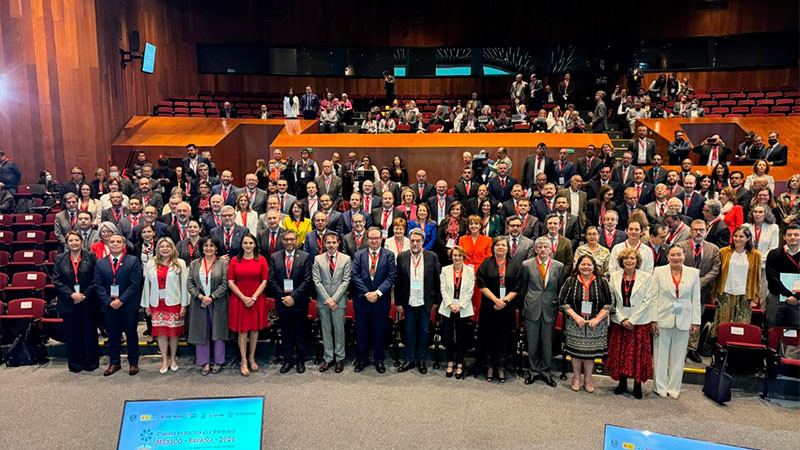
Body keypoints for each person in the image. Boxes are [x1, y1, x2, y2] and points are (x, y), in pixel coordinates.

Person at [650, 246, 701, 398]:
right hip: (662, 317)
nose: (676, 258)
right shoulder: (659, 271)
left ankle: (674, 387)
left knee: (678, 356)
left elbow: (696, 299)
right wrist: (653, 319)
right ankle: (659, 386)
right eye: (673, 255)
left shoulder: (693, 273)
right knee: (660, 354)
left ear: (684, 256)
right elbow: (654, 297)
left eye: (679, 254)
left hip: (684, 318)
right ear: (668, 256)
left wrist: (695, 321)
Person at [560, 254, 612, 392]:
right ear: (578, 266)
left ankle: (588, 379)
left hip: (595, 325)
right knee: (576, 353)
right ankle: (576, 377)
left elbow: (609, 303)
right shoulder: (571, 281)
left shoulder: (602, 281)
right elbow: (563, 302)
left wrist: (597, 318)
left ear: (594, 267)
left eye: (589, 264)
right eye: (583, 264)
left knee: (590, 353)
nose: (586, 267)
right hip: (575, 323)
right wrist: (576, 317)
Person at [608, 247, 654, 399]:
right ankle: (621, 383)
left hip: (639, 322)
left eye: (632, 258)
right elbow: (612, 299)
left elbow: (647, 300)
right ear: (621, 261)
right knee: (620, 353)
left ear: (637, 261)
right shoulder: (614, 276)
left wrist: (632, 320)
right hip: (619, 321)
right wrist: (622, 319)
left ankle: (637, 385)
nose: (629, 261)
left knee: (637, 355)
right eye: (626, 258)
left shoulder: (646, 277)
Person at [94, 233, 143, 376]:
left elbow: (135, 284)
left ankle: (133, 362)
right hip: (109, 306)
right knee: (113, 335)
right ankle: (114, 362)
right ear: (108, 244)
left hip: (128, 305)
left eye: (118, 242)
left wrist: (121, 300)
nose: (115, 244)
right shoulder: (100, 262)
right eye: (112, 242)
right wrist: (109, 301)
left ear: (123, 245)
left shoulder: (133, 261)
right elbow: (98, 285)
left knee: (131, 334)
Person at [519, 237, 564, 387]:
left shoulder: (558, 266)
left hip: (550, 308)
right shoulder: (526, 265)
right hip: (532, 307)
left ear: (550, 249)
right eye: (540, 247)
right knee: (532, 343)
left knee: (547, 344)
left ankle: (546, 372)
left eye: (546, 246)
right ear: (536, 249)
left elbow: (559, 288)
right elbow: (523, 288)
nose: (543, 249)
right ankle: (533, 372)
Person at [395, 228, 442, 374]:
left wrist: (436, 301)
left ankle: (421, 360)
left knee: (424, 331)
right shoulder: (402, 256)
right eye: (413, 241)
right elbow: (398, 281)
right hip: (408, 301)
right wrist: (398, 302)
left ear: (422, 242)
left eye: (418, 241)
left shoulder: (431, 256)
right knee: (409, 331)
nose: (415, 243)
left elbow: (436, 280)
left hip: (425, 301)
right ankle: (409, 359)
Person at [351, 227, 397, 373]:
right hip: (362, 301)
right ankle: (362, 360)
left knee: (379, 333)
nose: (374, 240)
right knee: (361, 333)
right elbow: (354, 276)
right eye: (371, 238)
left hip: (380, 301)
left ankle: (379, 360)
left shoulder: (388, 255)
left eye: (377, 238)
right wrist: (367, 293)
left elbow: (391, 277)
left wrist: (377, 293)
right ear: (367, 239)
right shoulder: (359, 255)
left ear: (381, 239)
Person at [268, 230, 313, 374]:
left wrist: (293, 296)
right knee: (286, 331)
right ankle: (287, 360)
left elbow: (307, 279)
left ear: (297, 240)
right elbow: (272, 279)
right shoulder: (275, 257)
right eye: (286, 239)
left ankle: (300, 360)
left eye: (292, 239)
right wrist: (284, 297)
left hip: (299, 301)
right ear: (282, 241)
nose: (289, 242)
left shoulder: (305, 257)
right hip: (282, 301)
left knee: (300, 331)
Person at [477, 236, 521, 383]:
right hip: (489, 306)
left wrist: (504, 300)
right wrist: (495, 300)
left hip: (507, 307)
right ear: (493, 247)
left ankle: (501, 367)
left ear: (508, 248)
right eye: (498, 245)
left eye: (503, 245)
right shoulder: (486, 263)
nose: (500, 247)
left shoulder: (514, 264)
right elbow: (481, 283)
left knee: (504, 337)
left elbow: (517, 286)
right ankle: (489, 366)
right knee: (489, 336)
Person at [141, 237, 189, 374]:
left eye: (168, 246)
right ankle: (164, 359)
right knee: (161, 334)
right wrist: (146, 305)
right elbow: (147, 285)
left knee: (173, 334)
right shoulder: (151, 263)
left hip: (174, 303)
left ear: (172, 248)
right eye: (162, 246)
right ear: (158, 249)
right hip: (156, 303)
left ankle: (173, 358)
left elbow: (184, 285)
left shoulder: (179, 263)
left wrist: (184, 305)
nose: (165, 249)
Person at [53, 231, 99, 372]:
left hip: (87, 301)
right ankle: (75, 364)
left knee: (89, 333)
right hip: (69, 303)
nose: (74, 243)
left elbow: (95, 278)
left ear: (82, 242)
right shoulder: (60, 258)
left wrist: (84, 294)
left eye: (76, 240)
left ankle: (91, 363)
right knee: (72, 334)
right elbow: (56, 280)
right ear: (67, 243)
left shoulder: (90, 256)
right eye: (71, 240)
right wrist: (72, 294)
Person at [185, 236, 230, 375]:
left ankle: (218, 361)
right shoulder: (195, 264)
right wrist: (200, 297)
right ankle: (204, 362)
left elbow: (225, 283)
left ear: (216, 248)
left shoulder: (223, 264)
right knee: (201, 332)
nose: (208, 248)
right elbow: (190, 282)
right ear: (202, 248)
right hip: (200, 303)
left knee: (218, 331)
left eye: (212, 245)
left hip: (218, 302)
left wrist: (211, 297)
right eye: (206, 246)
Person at [227, 233, 270, 376]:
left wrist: (253, 297)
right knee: (242, 331)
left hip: (256, 298)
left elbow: (264, 280)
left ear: (255, 244)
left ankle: (252, 357)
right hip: (239, 298)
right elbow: (230, 281)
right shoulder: (234, 260)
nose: (248, 246)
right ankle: (243, 360)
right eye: (245, 243)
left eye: (251, 243)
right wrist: (243, 297)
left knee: (254, 330)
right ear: (241, 245)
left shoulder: (262, 260)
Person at [312, 232, 352, 373]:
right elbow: (316, 281)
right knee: (326, 331)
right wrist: (327, 299)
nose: (331, 245)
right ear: (324, 244)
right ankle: (328, 358)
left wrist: (334, 299)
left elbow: (346, 281)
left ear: (338, 243)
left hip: (339, 302)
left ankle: (340, 358)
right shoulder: (318, 259)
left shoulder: (346, 259)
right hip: (323, 302)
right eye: (328, 242)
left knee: (339, 330)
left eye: (333, 242)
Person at [711, 226, 761, 337]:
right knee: (722, 323)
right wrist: (714, 294)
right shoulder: (723, 252)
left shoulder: (755, 255)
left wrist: (754, 298)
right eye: (736, 236)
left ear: (748, 238)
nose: (738, 239)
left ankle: (737, 348)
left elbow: (757, 278)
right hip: (725, 293)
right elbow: (717, 275)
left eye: (741, 236)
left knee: (741, 326)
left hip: (745, 295)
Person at [437, 246, 474, 380]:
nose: (457, 258)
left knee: (461, 337)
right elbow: (443, 289)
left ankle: (459, 363)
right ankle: (449, 362)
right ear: (451, 257)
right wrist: (450, 304)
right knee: (447, 337)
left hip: (463, 308)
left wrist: (460, 305)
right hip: (448, 307)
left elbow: (470, 290)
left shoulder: (470, 271)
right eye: (454, 255)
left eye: (459, 255)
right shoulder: (445, 270)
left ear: (463, 257)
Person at [764, 223, 800, 329]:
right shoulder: (774, 254)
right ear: (784, 237)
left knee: (795, 333)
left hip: (798, 300)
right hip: (776, 297)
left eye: (796, 234)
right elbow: (772, 277)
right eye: (789, 235)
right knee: (772, 328)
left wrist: (796, 297)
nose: (793, 237)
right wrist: (788, 294)